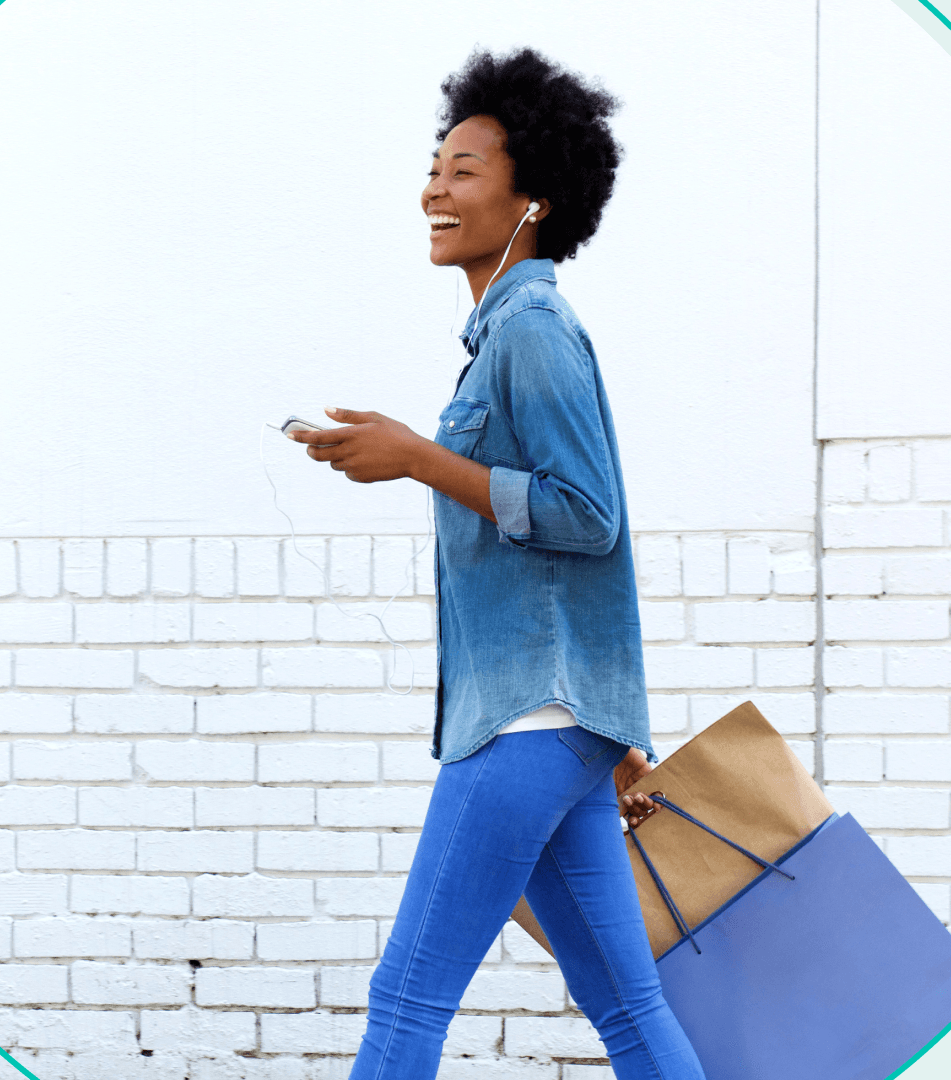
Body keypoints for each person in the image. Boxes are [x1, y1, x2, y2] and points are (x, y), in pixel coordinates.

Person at [286, 47, 706, 1080]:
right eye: (437, 167)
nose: (435, 187)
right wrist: (604, 726)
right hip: (558, 723)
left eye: (465, 169)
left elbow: (588, 517)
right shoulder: (505, 334)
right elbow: (564, 564)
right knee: (627, 1006)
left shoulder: (535, 330)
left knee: (406, 1001)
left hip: (525, 725)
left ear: (532, 202)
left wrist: (420, 460)